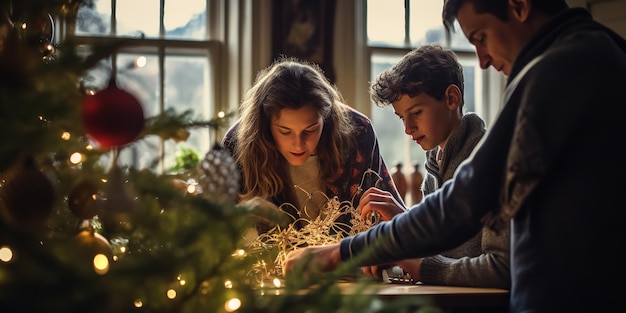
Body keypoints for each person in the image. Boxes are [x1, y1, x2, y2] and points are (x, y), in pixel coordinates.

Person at [283, 1, 626, 312]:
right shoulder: (598, 51)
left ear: (519, 5)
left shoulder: (560, 67)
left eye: (480, 36)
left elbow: (462, 204)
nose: (483, 59)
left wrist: (342, 252)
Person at [361, 44, 510, 289]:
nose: (407, 128)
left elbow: (500, 268)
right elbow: (444, 250)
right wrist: (405, 225)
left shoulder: (490, 163)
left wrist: (420, 265)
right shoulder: (435, 167)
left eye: (416, 113)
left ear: (452, 98)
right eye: (401, 118)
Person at [222, 56, 405, 236]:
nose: (298, 144)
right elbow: (216, 228)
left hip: (348, 260)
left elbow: (392, 220)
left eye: (310, 130)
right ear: (265, 124)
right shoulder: (238, 144)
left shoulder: (358, 132)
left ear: (326, 118)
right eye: (285, 132)